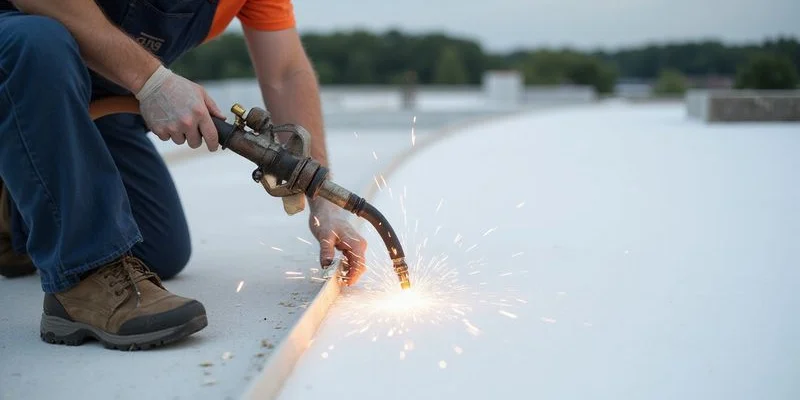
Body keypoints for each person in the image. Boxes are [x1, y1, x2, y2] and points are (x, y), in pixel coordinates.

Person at [0, 0, 367, 350]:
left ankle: (14, 199)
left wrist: (323, 200)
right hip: (19, 63)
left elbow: (286, 74)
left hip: (87, 101)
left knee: (157, 249)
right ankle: (82, 279)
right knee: (37, 41)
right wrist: (153, 81)